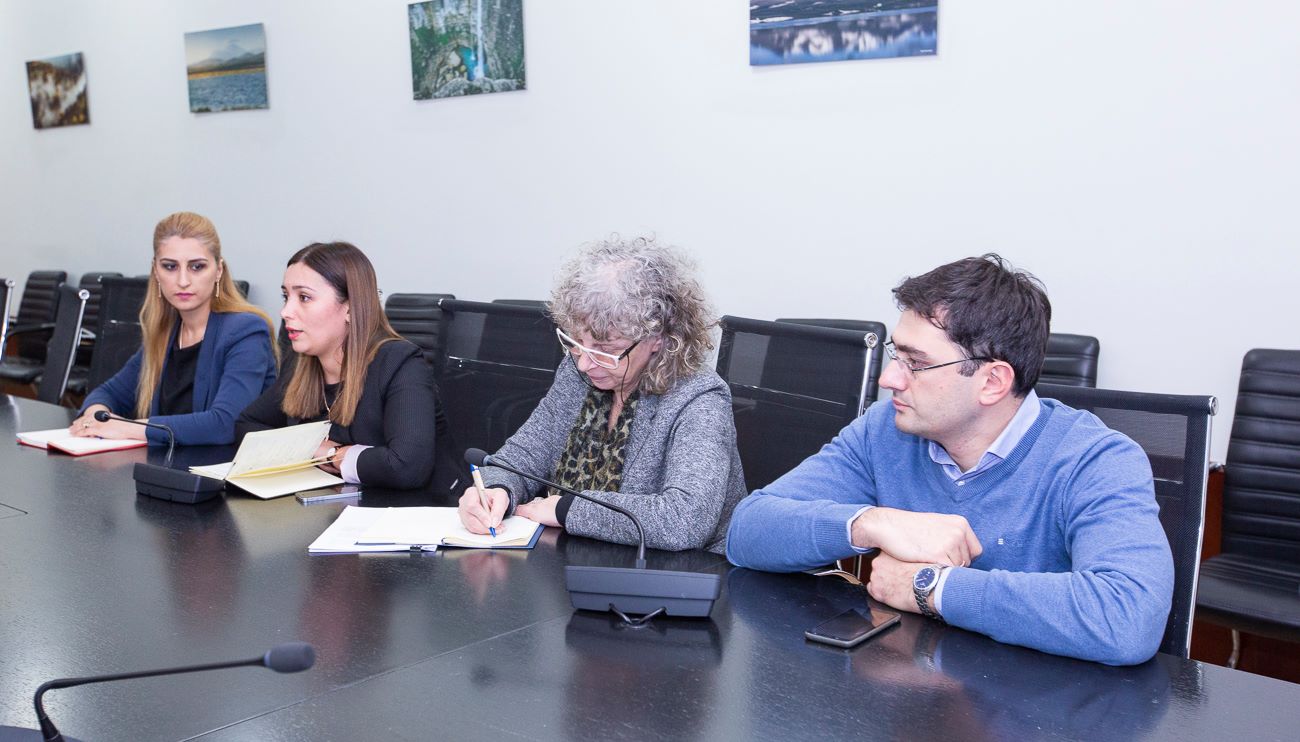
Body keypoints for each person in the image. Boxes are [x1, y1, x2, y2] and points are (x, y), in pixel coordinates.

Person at [726, 254, 1174, 665]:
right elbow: (747, 530)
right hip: (908, 691)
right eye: (896, 354)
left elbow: (1127, 617)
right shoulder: (886, 430)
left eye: (916, 363)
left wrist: (930, 588)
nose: (889, 378)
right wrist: (872, 523)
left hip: (1033, 705)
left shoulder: (1097, 460)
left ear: (992, 382)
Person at [457, 236, 746, 554]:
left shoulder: (700, 399)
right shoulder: (578, 373)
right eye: (577, 342)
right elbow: (520, 459)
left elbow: (684, 521)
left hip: (677, 574)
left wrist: (565, 509)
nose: (584, 362)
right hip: (575, 560)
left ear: (659, 339)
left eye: (606, 350)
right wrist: (496, 490)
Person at [235, 241, 436, 490]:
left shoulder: (399, 363)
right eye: (286, 297)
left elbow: (408, 466)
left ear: (350, 307)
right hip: (327, 506)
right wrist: (312, 449)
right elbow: (247, 425)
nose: (286, 311)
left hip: (403, 509)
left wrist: (332, 454)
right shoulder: (301, 363)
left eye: (304, 297)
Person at [72, 212, 277, 446]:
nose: (183, 281)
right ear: (156, 271)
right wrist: (95, 416)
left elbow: (225, 425)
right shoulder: (166, 332)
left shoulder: (246, 331)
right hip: (168, 465)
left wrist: (128, 427)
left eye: (197, 267)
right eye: (170, 267)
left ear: (219, 270)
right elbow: (108, 393)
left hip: (223, 467)